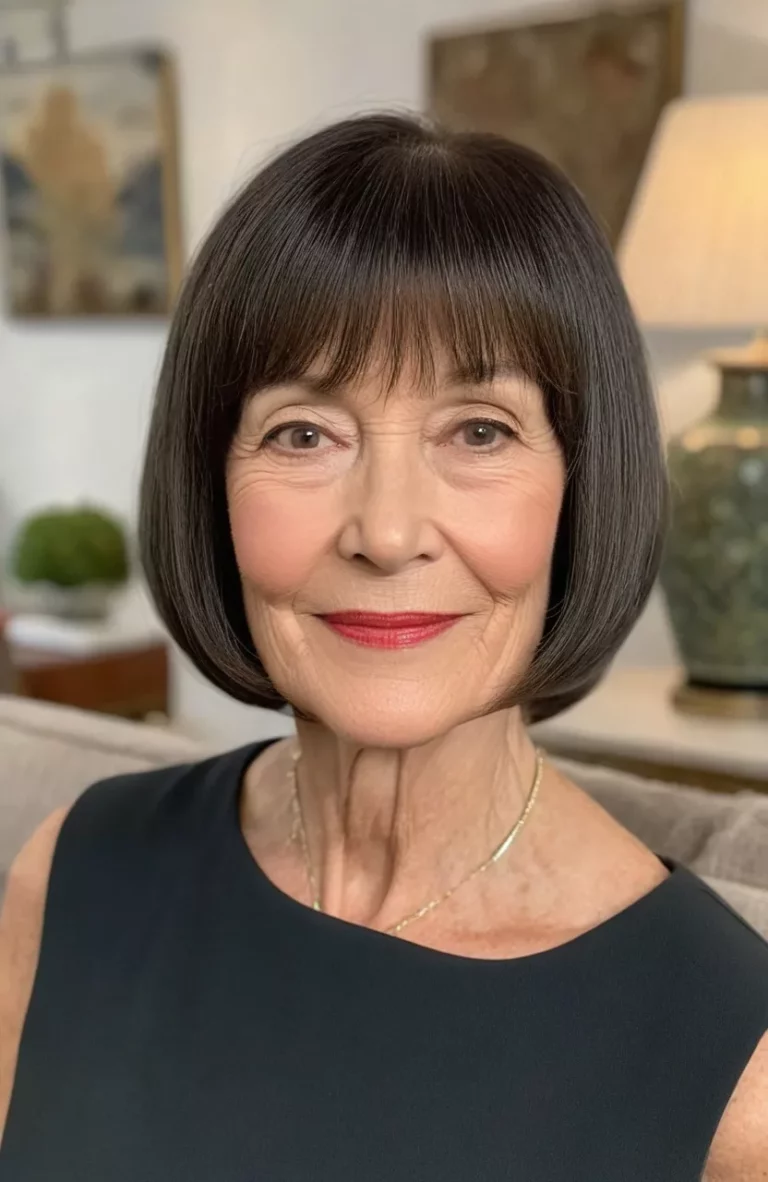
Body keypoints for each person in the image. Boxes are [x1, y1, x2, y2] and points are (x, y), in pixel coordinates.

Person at [1, 113, 766, 1182]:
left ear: (582, 487)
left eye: (480, 432)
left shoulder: (738, 1067)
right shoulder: (71, 875)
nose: (389, 531)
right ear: (209, 482)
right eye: (304, 433)